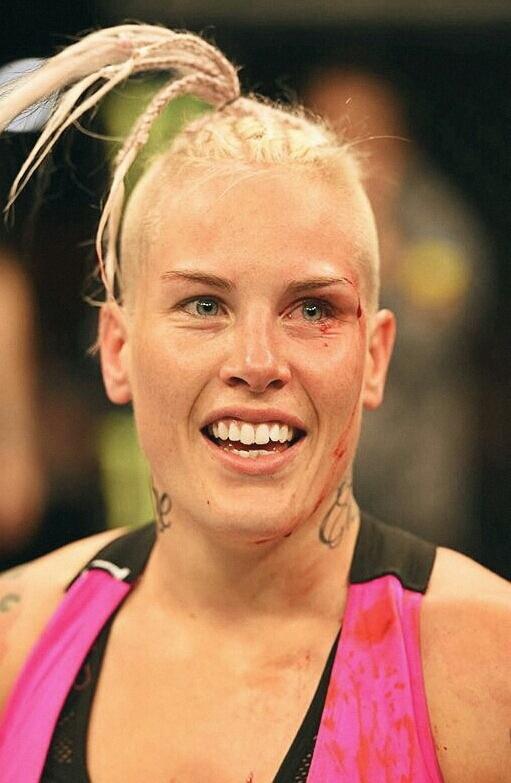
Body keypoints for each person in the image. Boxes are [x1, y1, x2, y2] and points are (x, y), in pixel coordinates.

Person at [0, 24, 509, 783]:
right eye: (204, 305)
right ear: (117, 349)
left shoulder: (486, 668)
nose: (257, 364)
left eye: (312, 309)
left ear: (374, 356)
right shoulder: (16, 641)